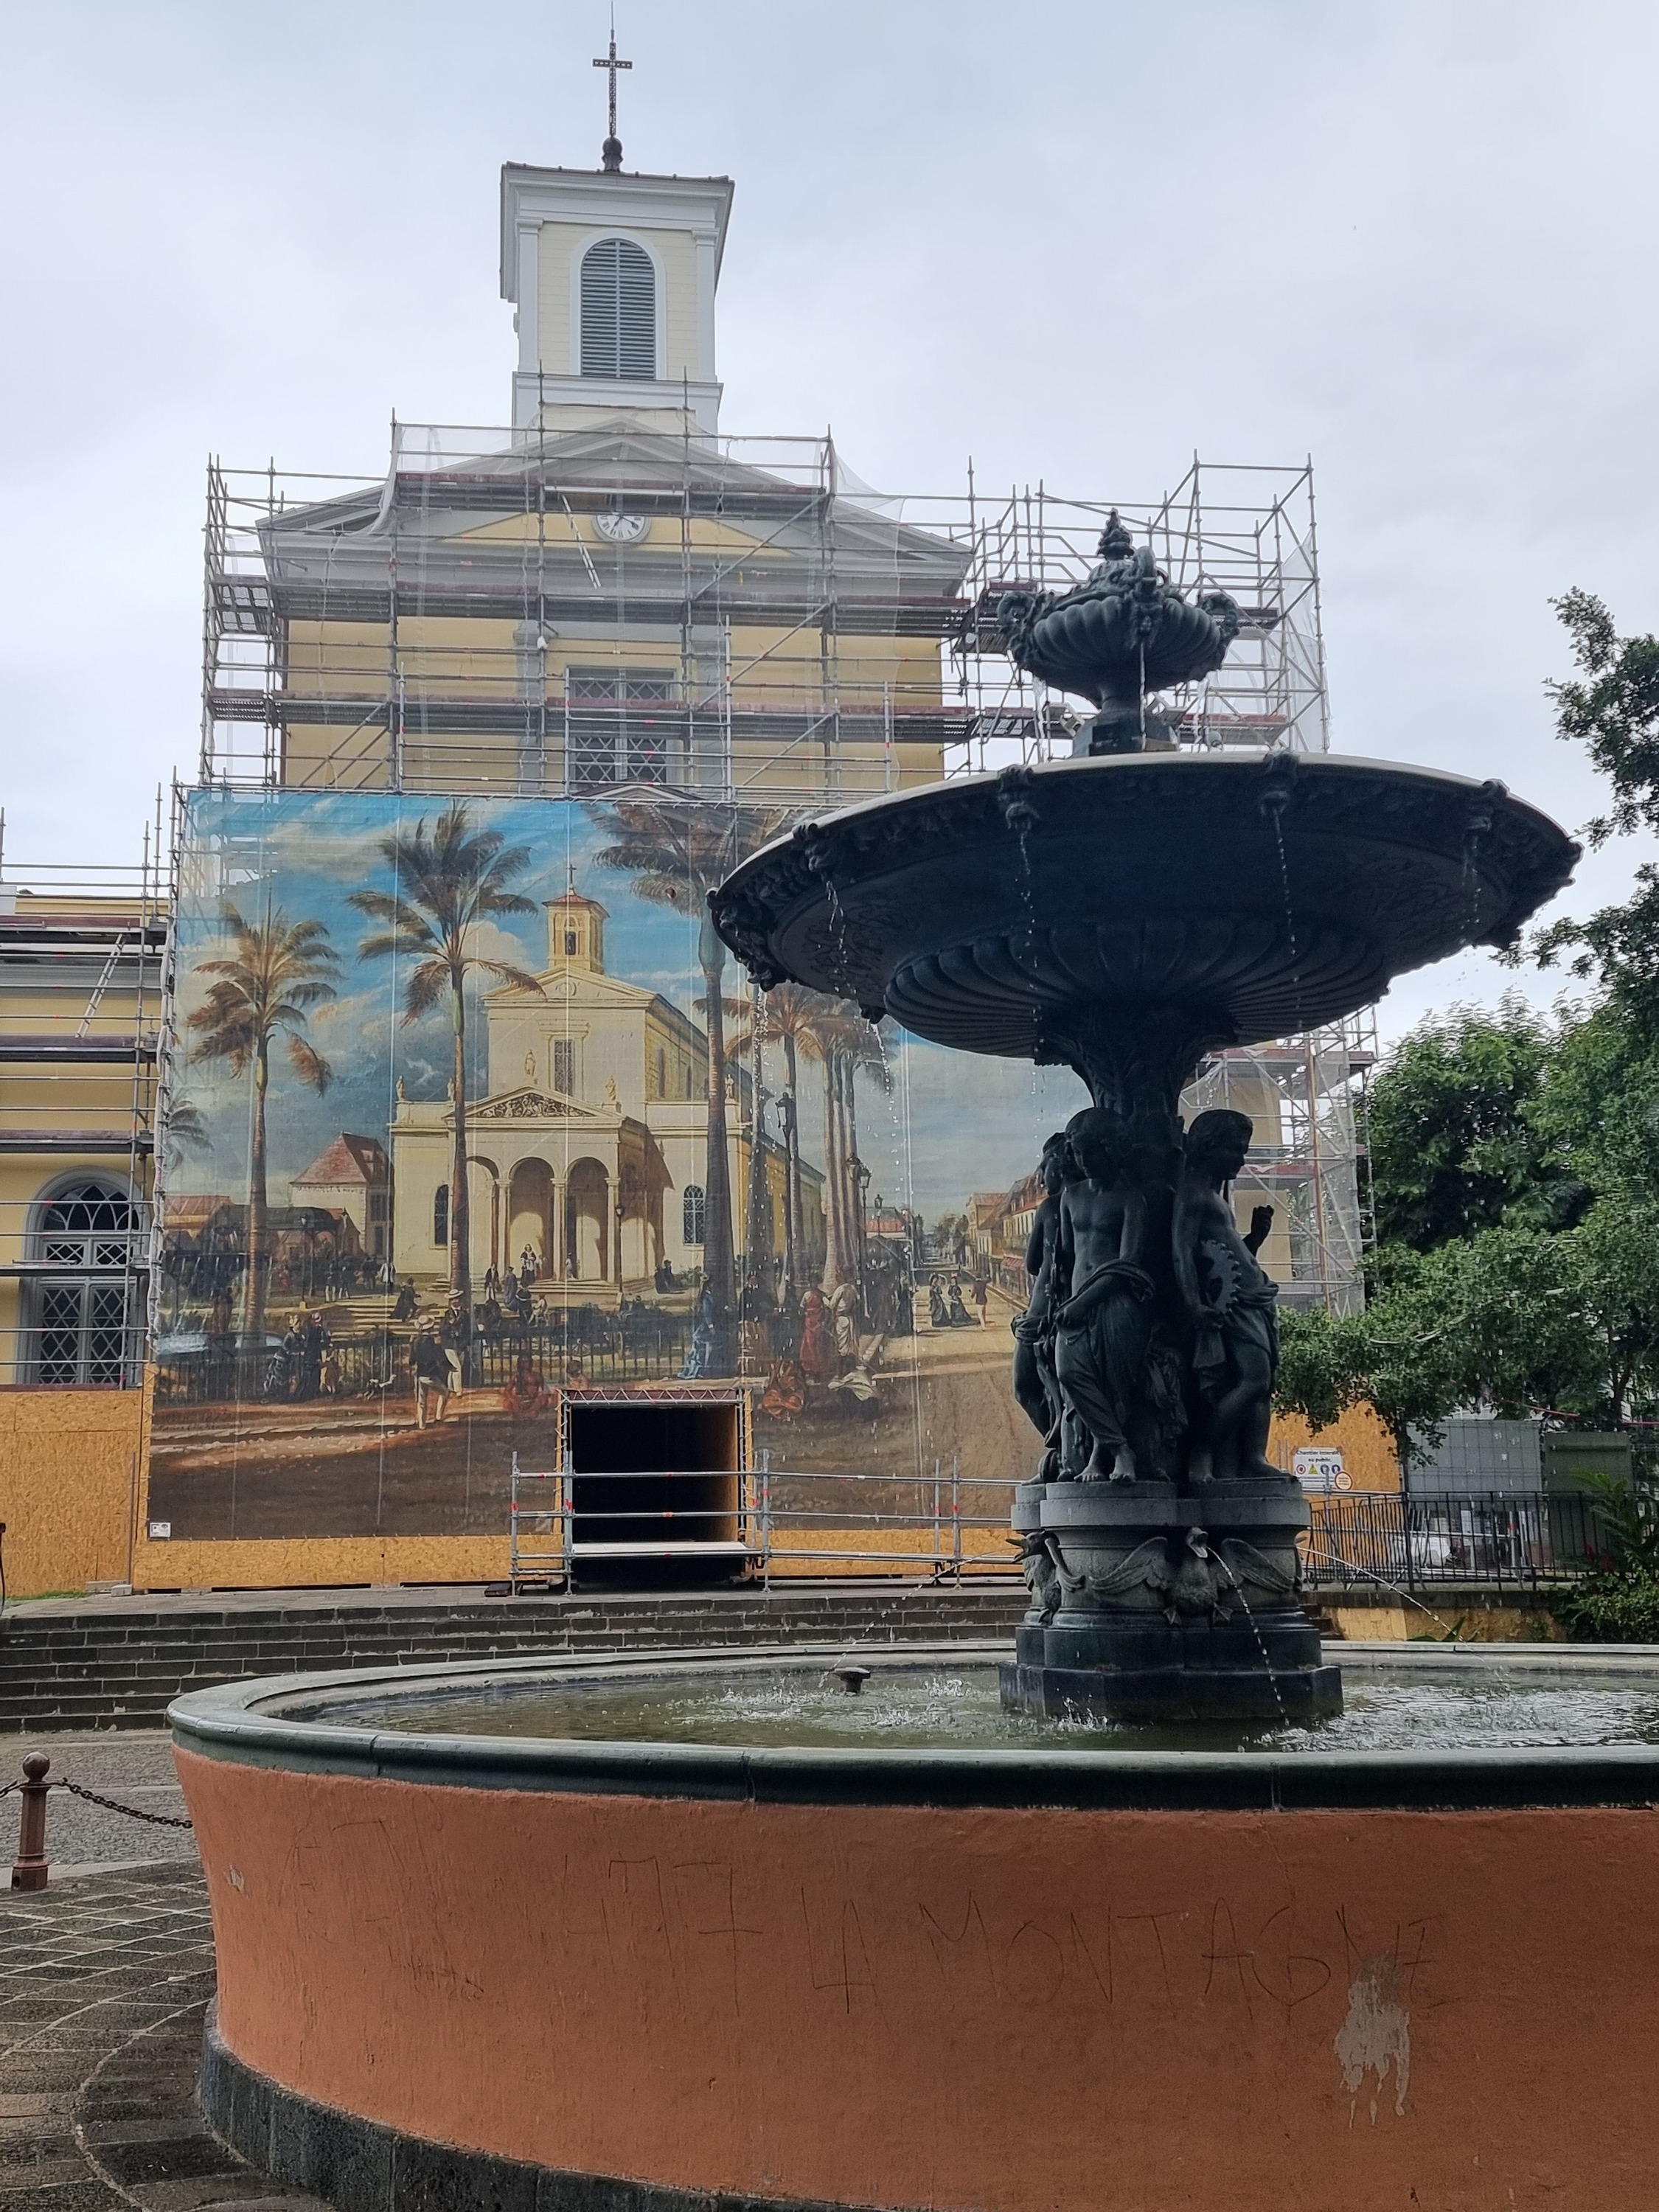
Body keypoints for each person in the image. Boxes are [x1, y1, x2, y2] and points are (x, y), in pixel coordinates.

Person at [1175, 1108, 1280, 1483]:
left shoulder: (1215, 1197)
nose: (1241, 1159)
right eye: (1235, 1150)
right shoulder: (1194, 1195)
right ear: (1208, 1146)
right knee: (1254, 1379)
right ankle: (1201, 1447)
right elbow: (1181, 1253)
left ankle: (1253, 1457)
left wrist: (1256, 1239)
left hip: (1251, 1297)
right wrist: (1193, 1304)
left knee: (1263, 1383)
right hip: (1231, 1305)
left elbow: (1229, 1258)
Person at [1052, 1108, 1155, 1482]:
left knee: (1114, 1383)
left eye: (1089, 1151)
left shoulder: (1131, 1199)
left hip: (1115, 1302)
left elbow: (1128, 1262)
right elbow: (1067, 1257)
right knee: (1070, 1373)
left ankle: (1104, 1458)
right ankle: (1119, 1447)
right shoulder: (1071, 1196)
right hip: (1076, 1303)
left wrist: (1084, 1301)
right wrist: (1064, 1299)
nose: (1082, 1160)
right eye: (1077, 1152)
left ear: (1110, 1148)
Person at [410, 1326, 451, 1429]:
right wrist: (450, 1366)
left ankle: (422, 1425)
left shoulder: (416, 1342)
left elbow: (411, 1360)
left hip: (420, 1374)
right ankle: (439, 1416)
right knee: (445, 1392)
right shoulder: (433, 1342)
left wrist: (411, 1345)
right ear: (431, 1329)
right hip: (431, 1374)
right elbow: (440, 1357)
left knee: (421, 1401)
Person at [798, 1284, 836, 1380]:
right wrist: (804, 1313)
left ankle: (819, 1370)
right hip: (809, 1321)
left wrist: (824, 1320)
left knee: (818, 1346)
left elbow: (828, 1308)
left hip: (818, 1322)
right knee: (809, 1344)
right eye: (811, 1283)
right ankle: (810, 1368)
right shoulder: (807, 1294)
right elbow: (802, 1307)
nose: (813, 1285)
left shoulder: (821, 1295)